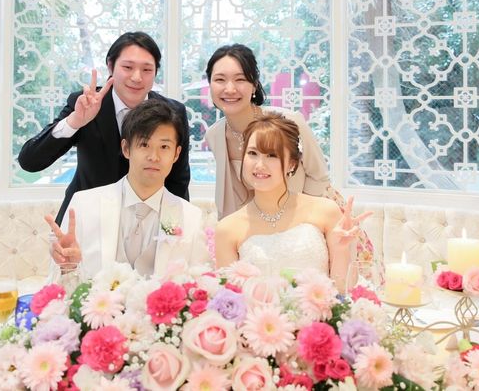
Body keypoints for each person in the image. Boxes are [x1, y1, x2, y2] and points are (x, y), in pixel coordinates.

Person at [19, 31, 190, 225]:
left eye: (147, 70)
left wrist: (172, 232)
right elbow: (30, 161)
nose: (137, 77)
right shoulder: (85, 103)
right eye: (127, 67)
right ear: (110, 66)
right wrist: (75, 121)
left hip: (146, 225)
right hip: (86, 222)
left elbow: (178, 182)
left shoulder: (173, 113)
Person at [45, 99, 210, 278]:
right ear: (126, 148)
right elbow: (56, 284)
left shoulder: (191, 218)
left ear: (176, 154)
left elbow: (197, 287)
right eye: (144, 145)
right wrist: (68, 267)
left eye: (164, 147)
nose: (154, 157)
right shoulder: (84, 205)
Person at [214, 114, 371, 291]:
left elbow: (343, 291)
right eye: (252, 153)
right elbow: (229, 299)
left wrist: (342, 250)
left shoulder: (325, 210)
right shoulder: (227, 229)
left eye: (272, 155)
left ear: (292, 164)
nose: (259, 165)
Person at [205, 43, 330, 220]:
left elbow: (319, 177)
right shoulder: (214, 135)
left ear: (254, 85)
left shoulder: (289, 121)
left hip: (304, 219)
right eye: (220, 80)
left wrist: (300, 222)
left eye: (240, 79)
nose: (230, 89)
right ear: (210, 85)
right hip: (251, 227)